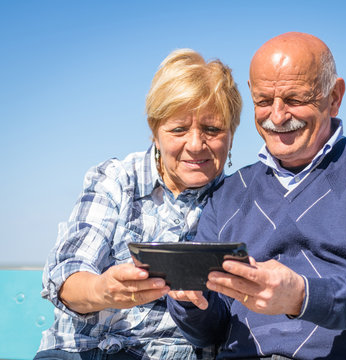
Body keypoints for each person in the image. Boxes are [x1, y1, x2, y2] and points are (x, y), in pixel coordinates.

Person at [167, 32, 346, 359]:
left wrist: (302, 296)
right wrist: (189, 301)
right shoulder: (229, 193)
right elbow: (209, 331)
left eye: (295, 99)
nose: (277, 116)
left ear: (334, 96)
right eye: (263, 100)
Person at [35, 49, 242, 360]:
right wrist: (103, 290)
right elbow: (66, 274)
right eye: (179, 129)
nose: (196, 144)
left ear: (232, 132)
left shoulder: (240, 201)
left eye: (212, 129)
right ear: (154, 131)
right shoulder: (116, 179)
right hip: (77, 349)